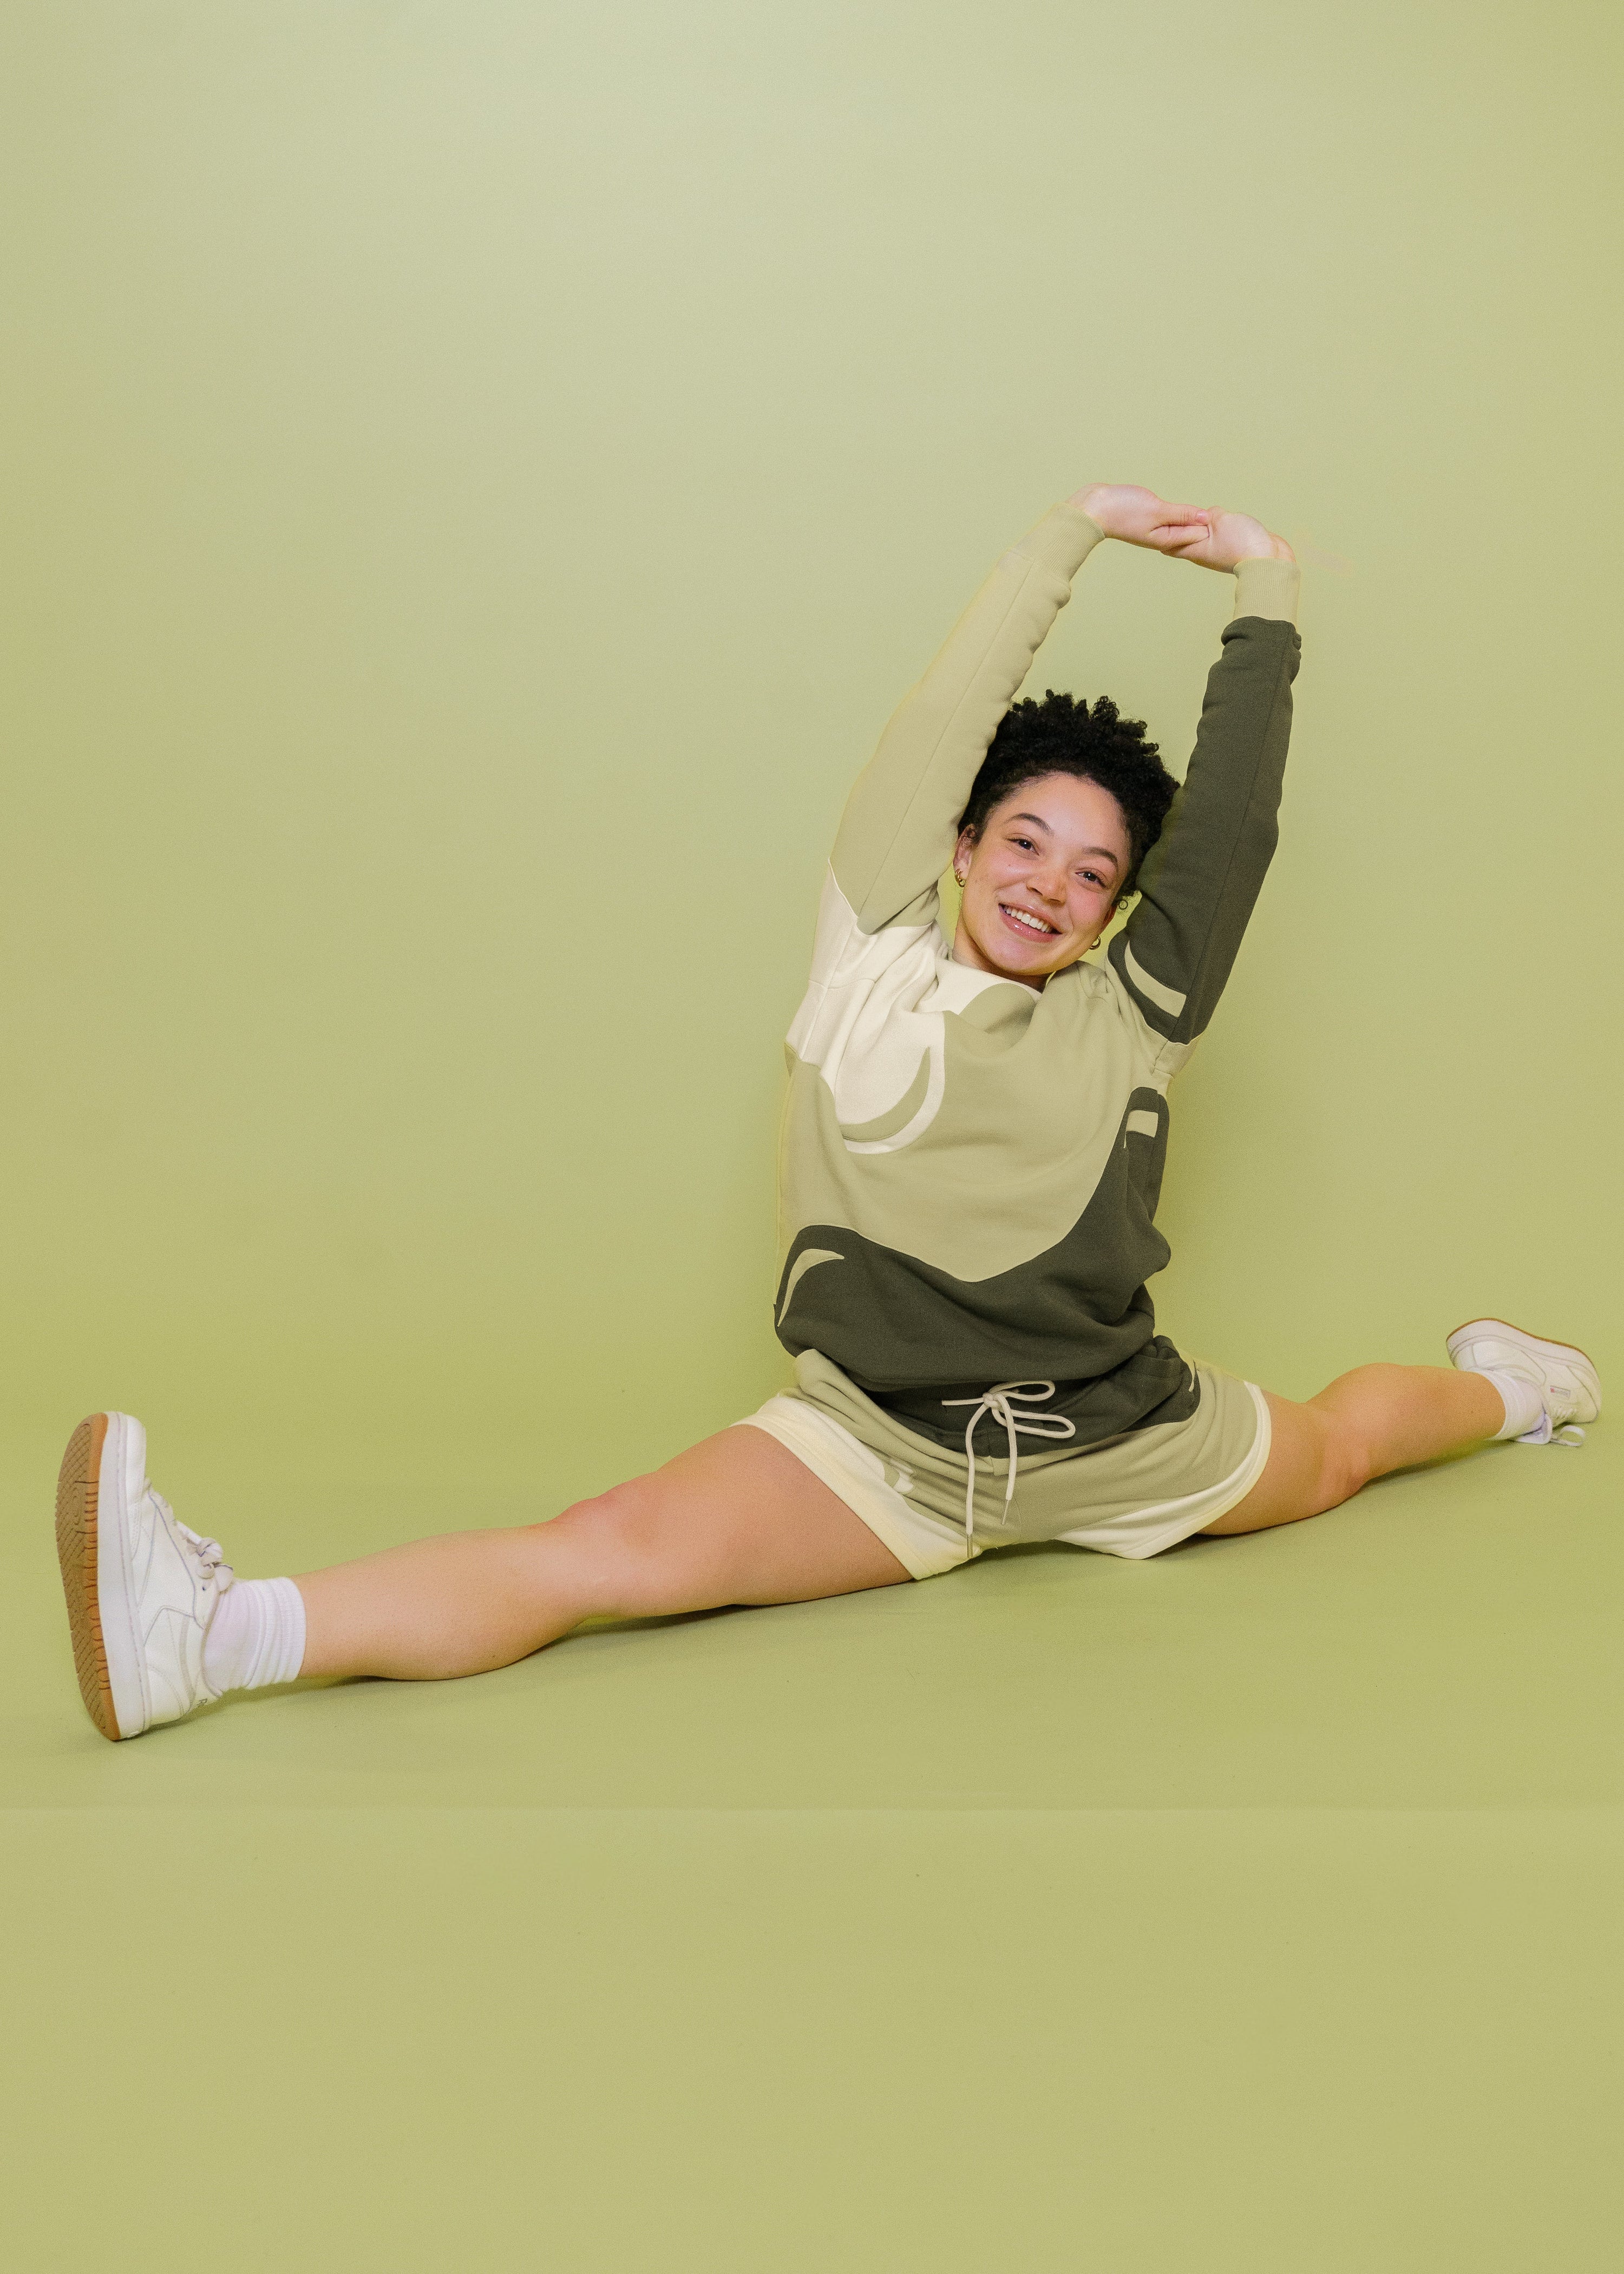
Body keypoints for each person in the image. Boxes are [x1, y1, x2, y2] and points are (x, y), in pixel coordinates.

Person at [54, 483, 1601, 1741]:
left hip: (1121, 1430)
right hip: (884, 1452)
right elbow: (944, 719)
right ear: (960, 843)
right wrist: (1064, 538)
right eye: (1024, 839)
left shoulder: (1134, 1018)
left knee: (1332, 1449)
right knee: (604, 1551)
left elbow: (1238, 829)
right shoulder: (872, 947)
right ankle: (212, 1638)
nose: (1048, 884)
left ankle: (1527, 1391)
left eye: (1092, 874)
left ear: (1119, 910)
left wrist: (1266, 587)